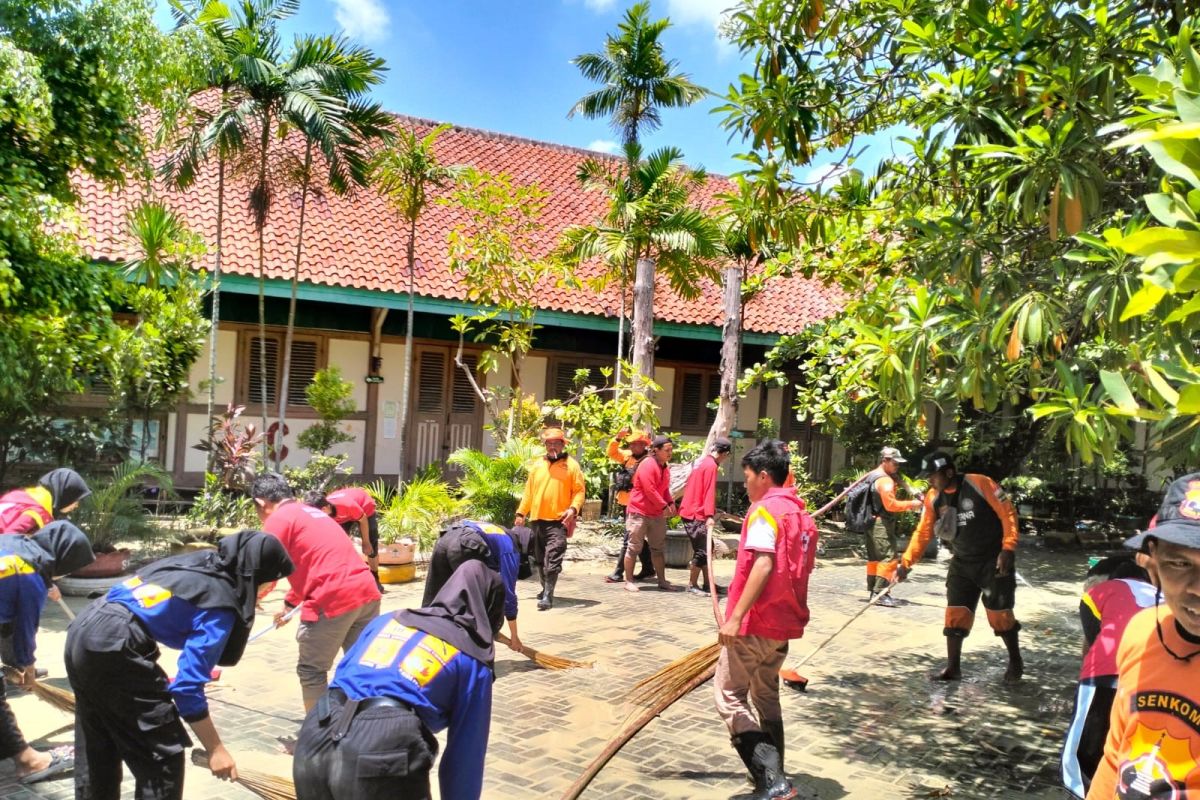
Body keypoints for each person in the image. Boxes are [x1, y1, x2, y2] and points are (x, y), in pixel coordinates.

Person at [66, 530, 291, 800]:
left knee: (98, 745)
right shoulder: (220, 604)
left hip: (84, 629)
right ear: (256, 576)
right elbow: (186, 688)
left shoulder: (200, 564)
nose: (269, 591)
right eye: (270, 583)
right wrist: (216, 749)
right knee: (163, 755)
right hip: (114, 645)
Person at [294, 559, 502, 800]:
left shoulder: (389, 620)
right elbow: (465, 758)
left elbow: (344, 674)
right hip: (382, 748)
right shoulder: (471, 658)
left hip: (316, 733)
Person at [1086, 473, 1200, 799]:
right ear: (1153, 560)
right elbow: (1115, 755)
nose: (1196, 588)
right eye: (1180, 563)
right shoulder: (1141, 631)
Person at [714, 439, 817, 800]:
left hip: (755, 623)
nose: (745, 485)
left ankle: (773, 782)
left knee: (728, 696)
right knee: (766, 694)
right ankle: (777, 771)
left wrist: (735, 617)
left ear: (762, 475)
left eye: (746, 477)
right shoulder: (801, 515)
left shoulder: (764, 511)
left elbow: (763, 562)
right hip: (783, 624)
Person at [251, 473, 382, 711]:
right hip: (366, 592)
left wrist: (250, 599)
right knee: (360, 666)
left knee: (312, 670)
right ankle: (365, 728)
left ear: (261, 503)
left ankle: (317, 738)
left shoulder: (278, 519)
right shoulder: (312, 513)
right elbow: (313, 564)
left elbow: (265, 569)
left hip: (333, 599)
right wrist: (289, 607)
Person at [896, 451, 1023, 682]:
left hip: (993, 561)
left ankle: (1015, 661)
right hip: (962, 562)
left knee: (1000, 615)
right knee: (955, 614)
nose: (930, 481)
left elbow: (1008, 514)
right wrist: (905, 563)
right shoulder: (933, 497)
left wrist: (1008, 548)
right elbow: (923, 532)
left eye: (933, 476)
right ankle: (953, 668)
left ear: (949, 472)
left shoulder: (981, 483)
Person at [0, 522, 93, 784]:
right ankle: (29, 762)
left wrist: (14, 664)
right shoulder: (30, 575)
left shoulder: (13, 545)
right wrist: (26, 667)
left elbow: (6, 621)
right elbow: (23, 630)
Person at [1061, 555, 1156, 798]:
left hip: (1103, 674)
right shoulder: (1163, 595)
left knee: (1084, 747)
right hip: (1148, 680)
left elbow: (1094, 644)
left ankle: (1079, 791)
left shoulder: (1100, 592)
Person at [422, 519, 526, 652]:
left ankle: (426, 646)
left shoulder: (495, 530)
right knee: (475, 607)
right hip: (467, 545)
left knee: (433, 599)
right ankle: (477, 651)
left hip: (445, 539)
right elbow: (508, 593)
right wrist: (514, 636)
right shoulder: (510, 548)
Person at [513, 428, 585, 611]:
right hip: (537, 520)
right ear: (545, 445)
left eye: (556, 443)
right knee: (538, 559)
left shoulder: (572, 466)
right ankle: (545, 587)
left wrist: (573, 508)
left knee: (553, 558)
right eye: (549, 443)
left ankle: (547, 596)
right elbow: (529, 492)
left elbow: (579, 491)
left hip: (559, 521)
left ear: (563, 444)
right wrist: (521, 513)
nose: (552, 446)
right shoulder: (537, 465)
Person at [861, 447, 923, 607]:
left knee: (875, 558)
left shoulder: (874, 475)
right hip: (881, 523)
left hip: (871, 521)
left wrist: (912, 491)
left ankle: (874, 591)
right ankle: (880, 593)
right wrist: (913, 504)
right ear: (885, 460)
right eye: (895, 462)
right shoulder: (885, 480)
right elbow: (891, 505)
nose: (897, 466)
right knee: (888, 557)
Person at [623, 435, 679, 593]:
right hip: (639, 511)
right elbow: (650, 490)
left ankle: (662, 581)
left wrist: (670, 502)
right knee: (633, 547)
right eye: (667, 450)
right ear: (656, 450)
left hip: (655, 513)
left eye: (671, 449)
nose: (670, 453)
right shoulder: (648, 464)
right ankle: (628, 581)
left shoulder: (664, 466)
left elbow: (664, 488)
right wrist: (663, 505)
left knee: (658, 548)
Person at [679, 437, 733, 597]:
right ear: (724, 454)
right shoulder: (711, 466)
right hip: (696, 514)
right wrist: (709, 515)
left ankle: (708, 583)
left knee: (707, 549)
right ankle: (692, 584)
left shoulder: (702, 462)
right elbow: (708, 491)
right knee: (703, 551)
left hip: (692, 510)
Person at [307, 487, 383, 592]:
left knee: (371, 546)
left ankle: (375, 577)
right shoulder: (324, 512)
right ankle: (343, 580)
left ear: (325, 509)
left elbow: (363, 519)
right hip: (343, 515)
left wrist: (365, 542)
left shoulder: (346, 505)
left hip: (364, 507)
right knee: (337, 546)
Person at [604, 428, 655, 584]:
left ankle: (619, 573)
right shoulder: (627, 457)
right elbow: (611, 453)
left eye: (636, 444)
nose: (633, 447)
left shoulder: (649, 461)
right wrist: (618, 438)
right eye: (631, 444)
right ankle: (648, 568)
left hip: (640, 505)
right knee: (635, 537)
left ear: (644, 445)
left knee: (629, 538)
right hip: (627, 503)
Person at [0, 468, 91, 534]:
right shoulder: (35, 512)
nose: (76, 505)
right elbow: (8, 539)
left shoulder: (23, 497)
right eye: (76, 500)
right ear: (66, 495)